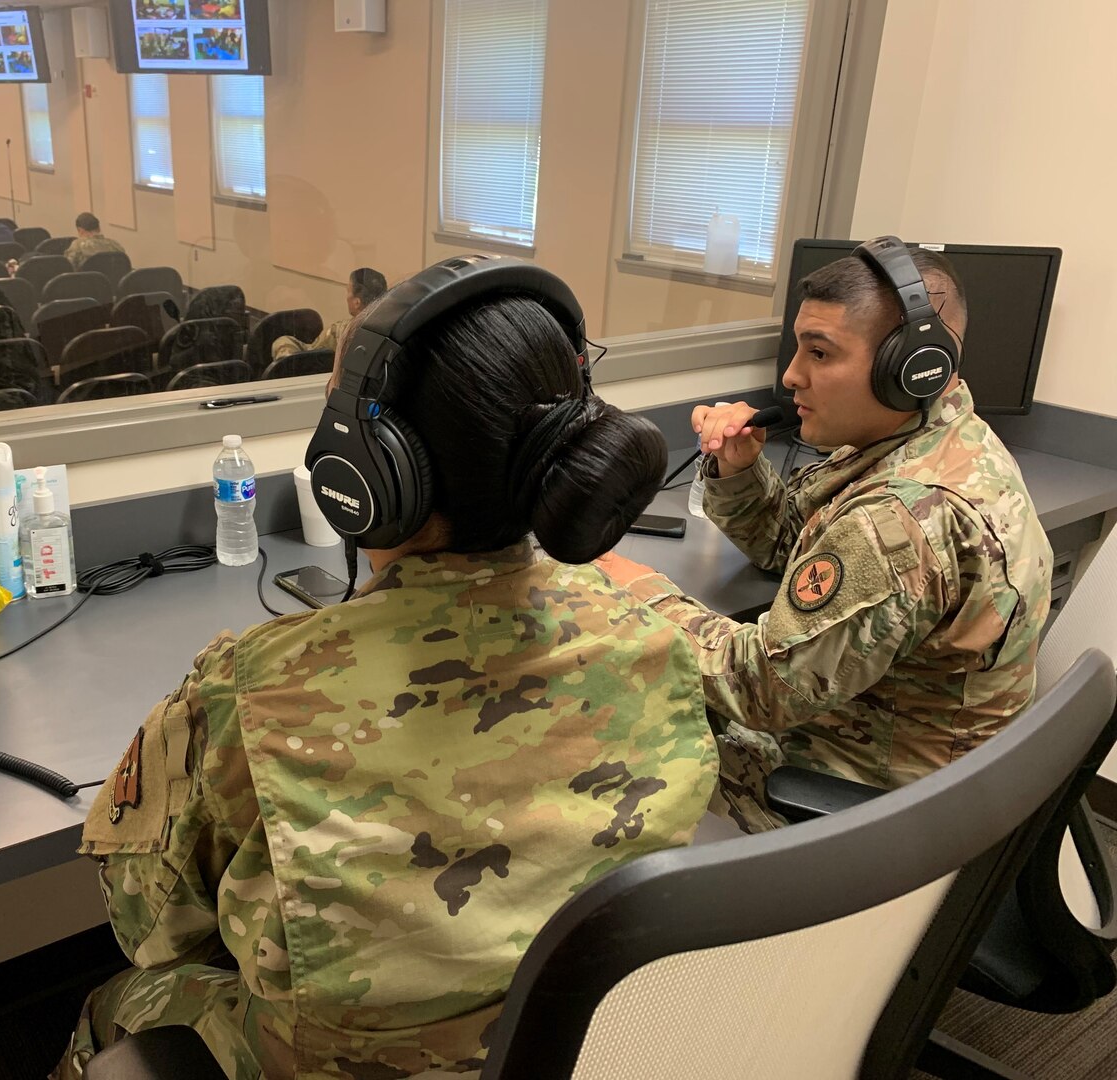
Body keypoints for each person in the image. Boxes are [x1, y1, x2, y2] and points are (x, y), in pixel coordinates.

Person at [53, 260, 718, 1079]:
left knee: (119, 1001)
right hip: (585, 1047)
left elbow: (151, 929)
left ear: (366, 472)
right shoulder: (655, 638)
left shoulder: (247, 692)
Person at [602, 242, 1053, 834]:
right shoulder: (938, 441)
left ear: (910, 367)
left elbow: (762, 688)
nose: (791, 375)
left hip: (873, 807)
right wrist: (738, 472)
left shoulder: (899, 519)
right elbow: (791, 546)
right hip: (928, 769)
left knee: (604, 715)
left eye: (819, 352)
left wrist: (636, 588)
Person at [272, 267, 388, 362]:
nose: (346, 297)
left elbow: (308, 355)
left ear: (357, 302)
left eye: (348, 291)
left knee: (282, 342)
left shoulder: (339, 331)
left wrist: (283, 344)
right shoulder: (390, 331)